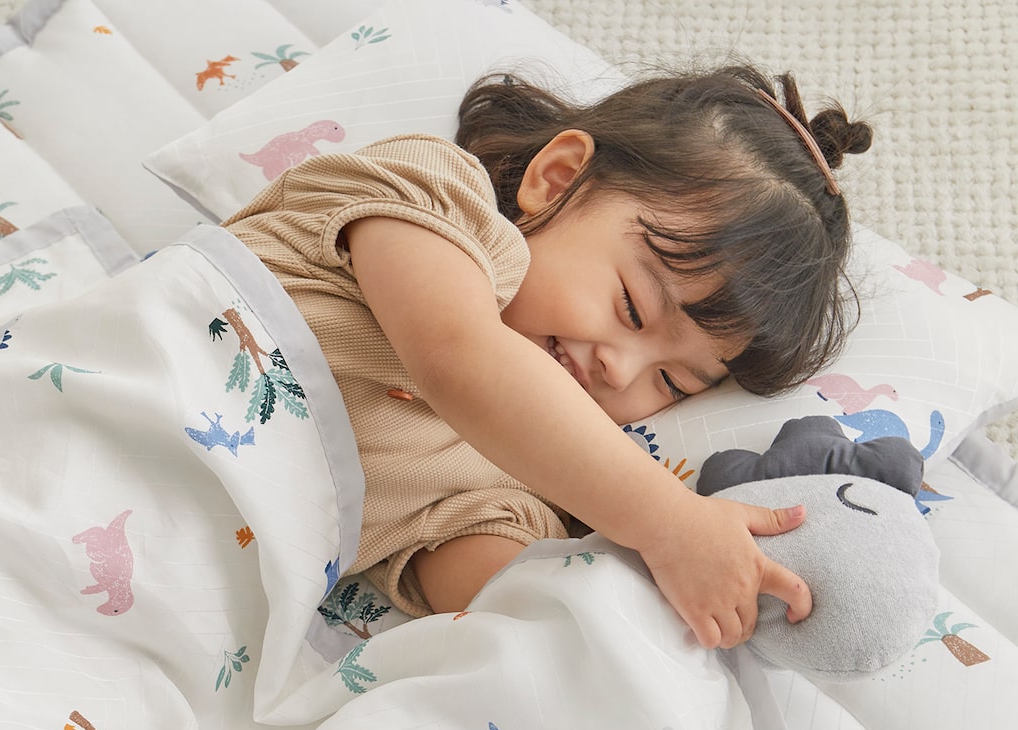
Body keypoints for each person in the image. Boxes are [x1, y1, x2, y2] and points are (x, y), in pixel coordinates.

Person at [222, 62, 872, 649]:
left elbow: (513, 609)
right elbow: (459, 358)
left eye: (672, 382)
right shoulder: (431, 193)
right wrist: (669, 522)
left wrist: (655, 602)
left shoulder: (515, 482)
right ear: (557, 179)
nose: (621, 368)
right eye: (632, 308)